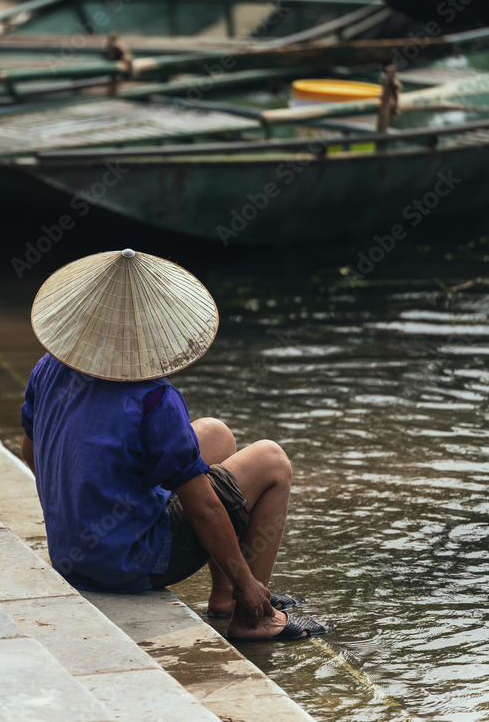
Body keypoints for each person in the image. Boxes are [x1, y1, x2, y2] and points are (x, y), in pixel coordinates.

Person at [20, 248, 328, 641]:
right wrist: (248, 580)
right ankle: (250, 615)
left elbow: (31, 453)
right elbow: (203, 510)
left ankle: (223, 596)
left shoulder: (50, 367)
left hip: (70, 556)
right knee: (271, 460)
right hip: (126, 564)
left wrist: (88, 501)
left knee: (215, 434)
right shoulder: (153, 398)